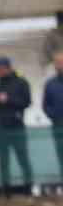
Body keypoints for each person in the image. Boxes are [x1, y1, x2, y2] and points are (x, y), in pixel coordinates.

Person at [0, 56, 34, 196]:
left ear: (9, 68)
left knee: (23, 158)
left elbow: (27, 102)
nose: (0, 71)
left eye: (3, 68)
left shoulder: (21, 83)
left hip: (17, 127)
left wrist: (8, 99)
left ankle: (28, 187)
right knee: (3, 161)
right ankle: (6, 189)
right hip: (1, 128)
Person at [44, 50, 63, 192]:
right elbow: (45, 105)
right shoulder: (50, 84)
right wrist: (54, 115)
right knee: (61, 155)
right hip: (58, 125)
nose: (59, 65)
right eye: (57, 62)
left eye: (61, 62)